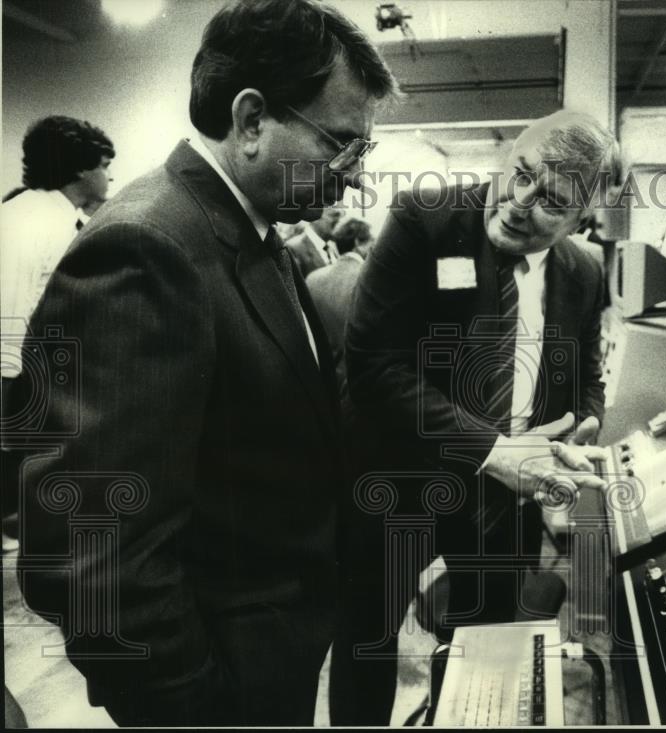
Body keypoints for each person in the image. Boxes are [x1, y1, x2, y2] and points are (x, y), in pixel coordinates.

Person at [11, 0, 396, 726]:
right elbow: (94, 553)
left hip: (266, 650)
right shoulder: (147, 249)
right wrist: (191, 704)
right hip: (217, 682)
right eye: (341, 145)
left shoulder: (250, 231)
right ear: (251, 120)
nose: (355, 176)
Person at [336, 110, 618, 725]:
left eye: (551, 202)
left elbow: (587, 374)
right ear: (511, 152)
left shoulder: (584, 271)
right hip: (398, 478)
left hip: (502, 499)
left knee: (488, 639)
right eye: (519, 174)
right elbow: (374, 365)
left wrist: (582, 425)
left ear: (583, 217)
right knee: (369, 638)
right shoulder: (425, 220)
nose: (519, 203)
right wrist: (493, 450)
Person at [0, 115, 115, 551]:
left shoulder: (27, 211)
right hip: (20, 372)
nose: (108, 177)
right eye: (106, 165)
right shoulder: (46, 223)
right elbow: (20, 310)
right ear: (82, 169)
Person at [305, 217, 374, 386]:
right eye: (372, 240)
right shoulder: (372, 280)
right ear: (358, 242)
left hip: (325, 378)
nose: (375, 246)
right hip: (364, 381)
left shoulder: (312, 279)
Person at [285, 204, 344, 276]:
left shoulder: (332, 246)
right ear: (315, 217)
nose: (340, 221)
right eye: (335, 215)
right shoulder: (293, 248)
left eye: (341, 216)